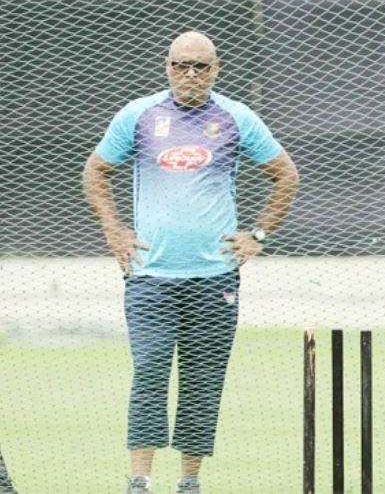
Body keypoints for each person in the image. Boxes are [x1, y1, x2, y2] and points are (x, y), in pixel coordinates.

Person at [82, 31, 299, 494]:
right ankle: (139, 481)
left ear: (216, 70)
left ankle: (189, 483)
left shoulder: (237, 117)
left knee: (203, 381)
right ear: (167, 67)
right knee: (150, 372)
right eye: (182, 65)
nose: (190, 74)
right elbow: (96, 170)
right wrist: (114, 231)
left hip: (215, 278)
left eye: (201, 66)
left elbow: (286, 175)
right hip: (150, 276)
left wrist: (258, 236)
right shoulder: (139, 115)